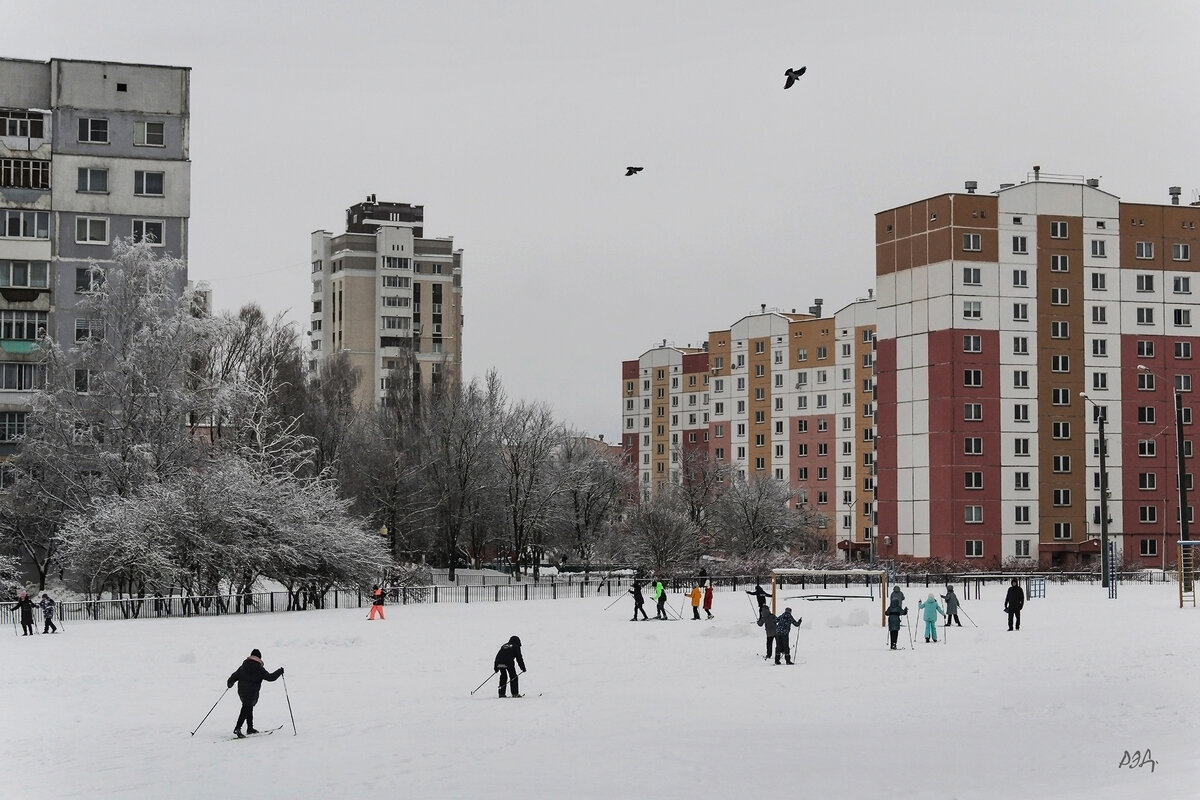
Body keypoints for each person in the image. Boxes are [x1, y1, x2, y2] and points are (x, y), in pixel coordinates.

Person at [227, 648, 284, 737]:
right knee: (246, 707)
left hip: (242, 691)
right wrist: (279, 671)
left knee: (248, 706)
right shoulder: (259, 669)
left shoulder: (243, 667)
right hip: (252, 692)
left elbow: (234, 676)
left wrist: (230, 683)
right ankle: (237, 728)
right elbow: (270, 677)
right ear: (259, 658)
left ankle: (250, 728)